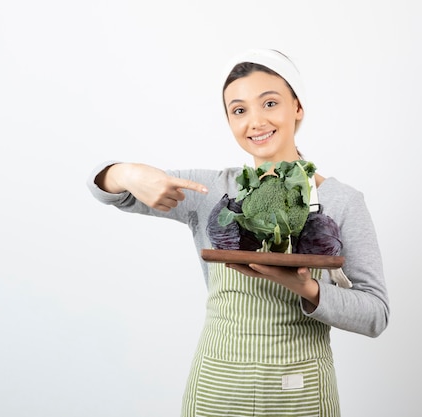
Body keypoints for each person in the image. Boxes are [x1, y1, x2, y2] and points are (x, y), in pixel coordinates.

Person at [87, 48, 389, 417]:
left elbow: (375, 313)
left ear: (298, 108)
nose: (256, 121)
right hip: (216, 391)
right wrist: (127, 173)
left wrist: (305, 287)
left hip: (301, 393)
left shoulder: (340, 200)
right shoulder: (211, 191)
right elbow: (105, 188)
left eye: (270, 103)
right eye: (240, 110)